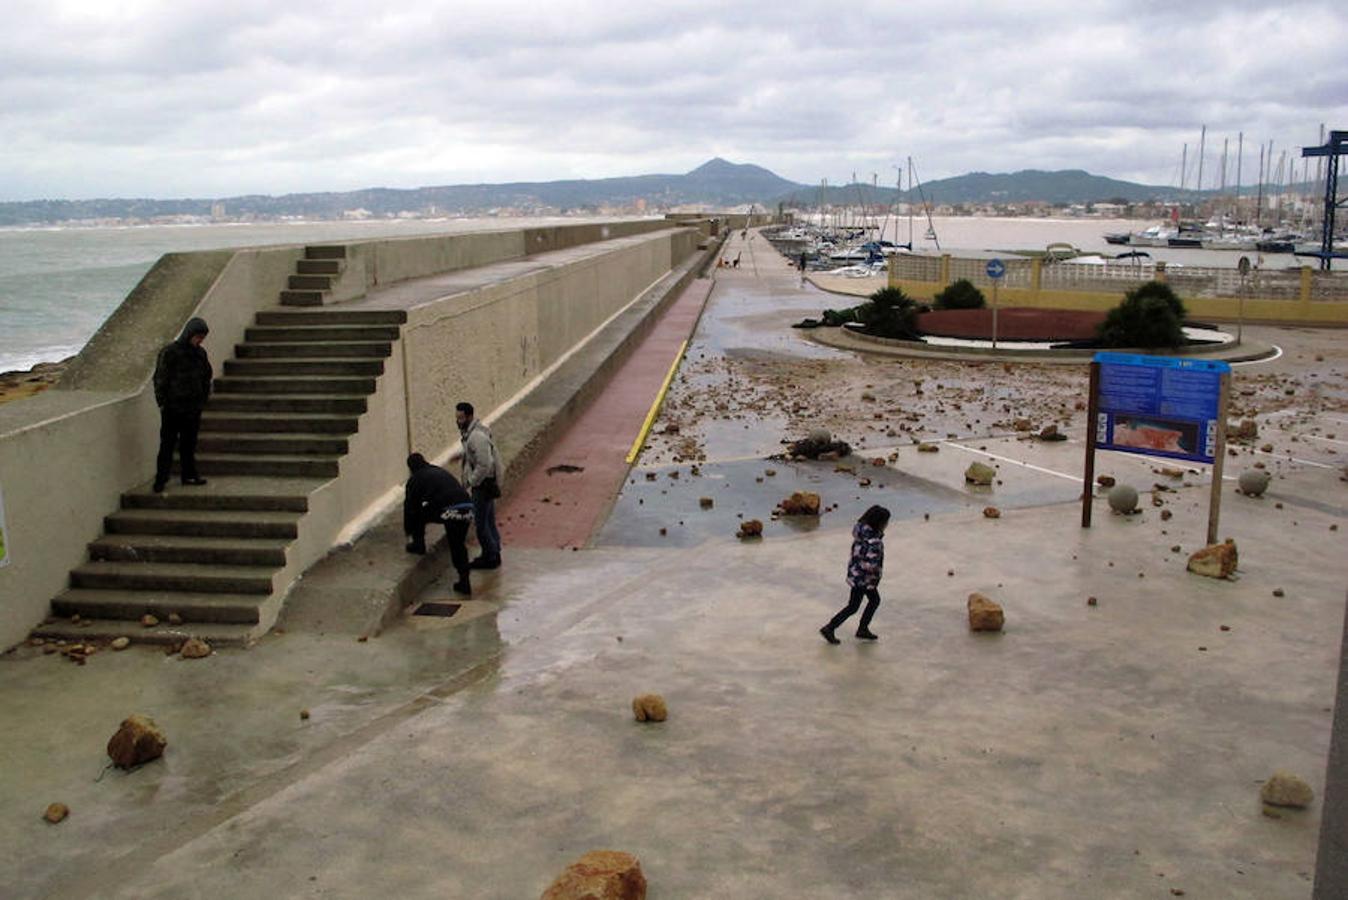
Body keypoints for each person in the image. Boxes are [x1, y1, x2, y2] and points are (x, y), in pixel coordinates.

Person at [152, 317, 212, 493]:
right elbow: (160, 379)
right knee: (167, 445)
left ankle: (189, 475)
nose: (200, 340)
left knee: (189, 444)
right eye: (198, 336)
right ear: (189, 334)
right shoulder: (170, 352)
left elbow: (206, 376)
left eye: (202, 337)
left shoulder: (200, 354)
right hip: (172, 407)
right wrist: (162, 402)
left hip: (192, 407)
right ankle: (161, 479)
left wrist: (202, 399)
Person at [404, 453, 473, 595]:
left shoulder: (415, 480)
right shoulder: (437, 470)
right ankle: (464, 579)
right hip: (468, 508)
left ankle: (418, 545)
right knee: (459, 544)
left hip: (451, 511)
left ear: (411, 468)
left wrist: (409, 530)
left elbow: (410, 508)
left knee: (418, 515)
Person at [820, 505, 891, 643]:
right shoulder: (874, 542)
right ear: (879, 523)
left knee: (871, 601)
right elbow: (872, 564)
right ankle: (830, 627)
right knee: (855, 606)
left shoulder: (861, 534)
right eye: (886, 522)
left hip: (856, 574)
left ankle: (862, 629)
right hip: (865, 579)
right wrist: (876, 574)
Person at [455, 401, 502, 569]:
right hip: (485, 485)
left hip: (482, 486)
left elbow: (485, 464)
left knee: (481, 524)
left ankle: (490, 556)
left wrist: (471, 482)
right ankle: (494, 552)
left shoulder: (476, 437)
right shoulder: (473, 435)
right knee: (489, 521)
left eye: (461, 418)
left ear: (469, 416)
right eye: (457, 418)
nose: (458, 421)